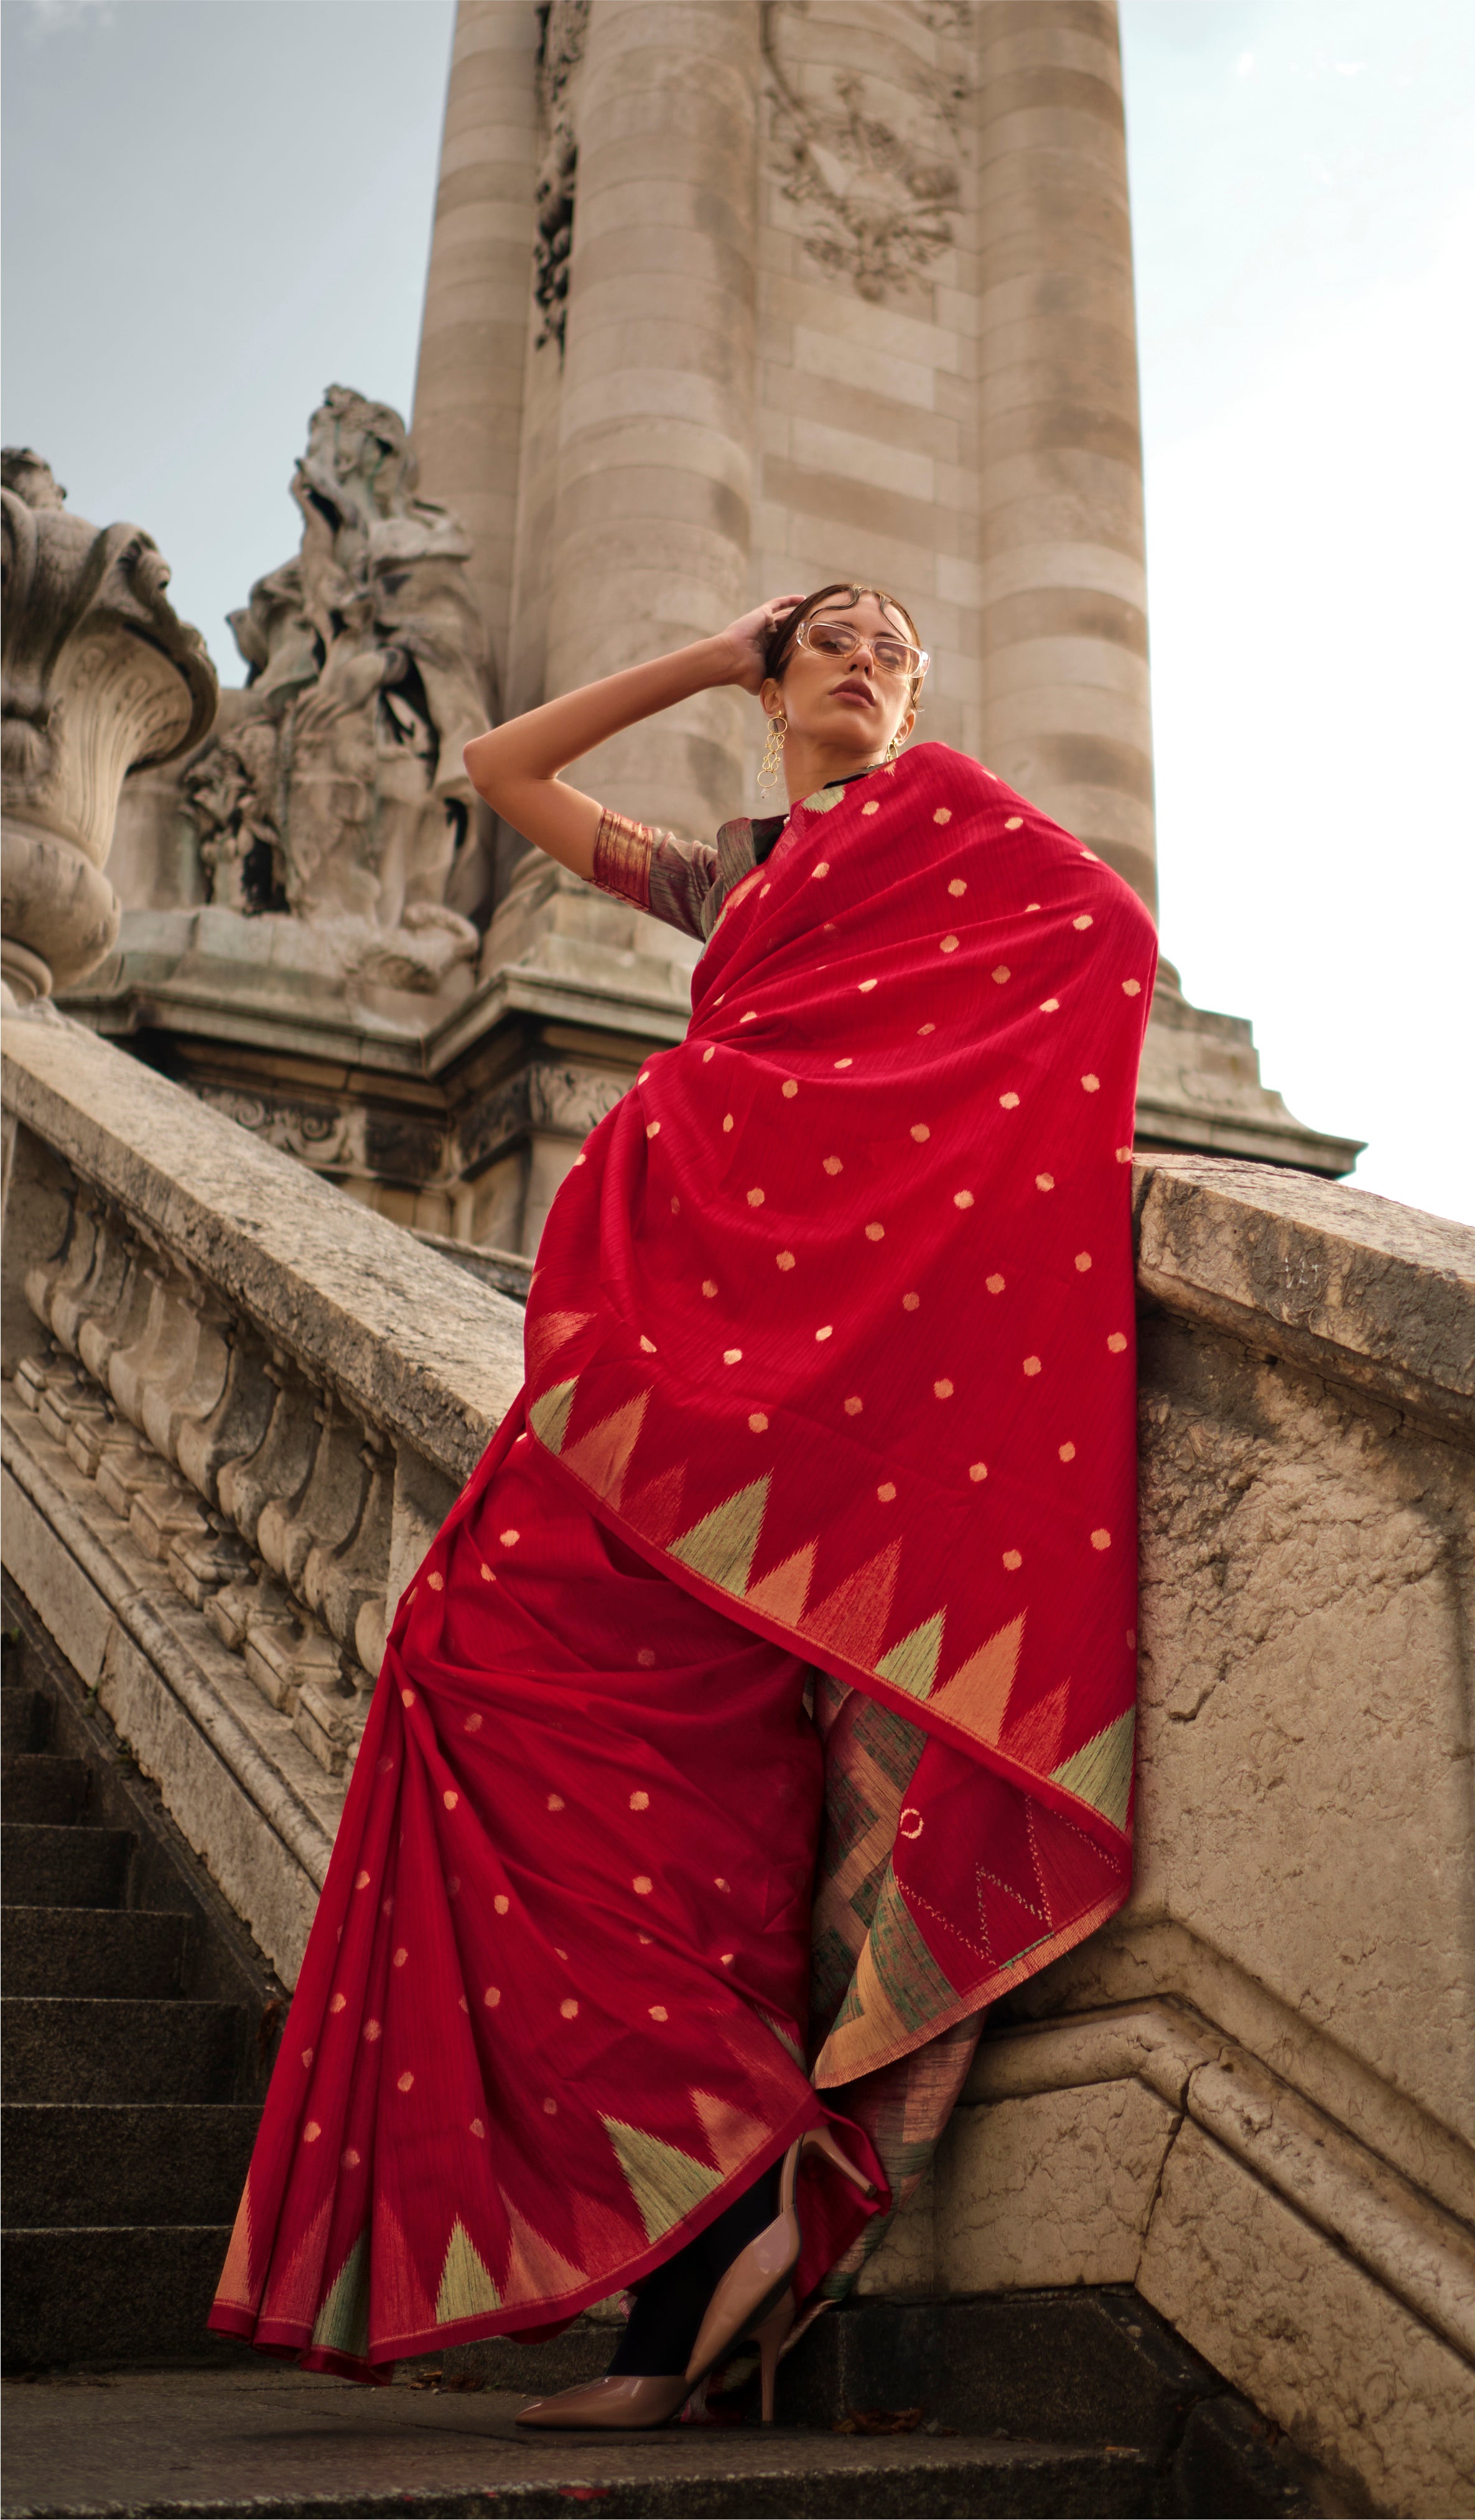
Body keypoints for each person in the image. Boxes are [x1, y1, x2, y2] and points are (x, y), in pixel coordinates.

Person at [210, 582, 1156, 2431]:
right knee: (455, 1673)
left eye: (893, 644)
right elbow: (496, 768)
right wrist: (706, 655)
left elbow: (1103, 942)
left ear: (924, 693)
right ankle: (711, 2223)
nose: (864, 660)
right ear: (777, 679)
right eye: (829, 641)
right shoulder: (725, 876)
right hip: (650, 1358)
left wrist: (843, 1148)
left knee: (693, 1832)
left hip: (794, 1407)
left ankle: (696, 2264)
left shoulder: (951, 824)